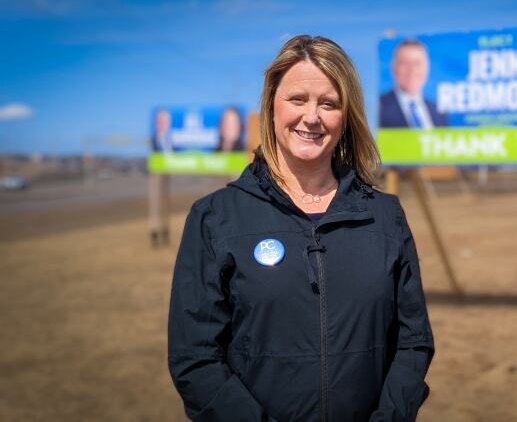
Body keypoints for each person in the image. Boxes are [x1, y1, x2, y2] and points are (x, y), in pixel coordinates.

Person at [168, 35, 435, 422]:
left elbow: (413, 344)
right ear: (272, 105)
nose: (312, 116)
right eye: (297, 99)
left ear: (346, 117)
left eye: (329, 103)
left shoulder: (385, 215)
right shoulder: (215, 218)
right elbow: (194, 359)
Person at [380, 39, 448, 129]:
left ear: (427, 67)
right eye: (404, 63)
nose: (412, 70)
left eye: (417, 64)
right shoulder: (380, 107)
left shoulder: (439, 112)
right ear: (393, 67)